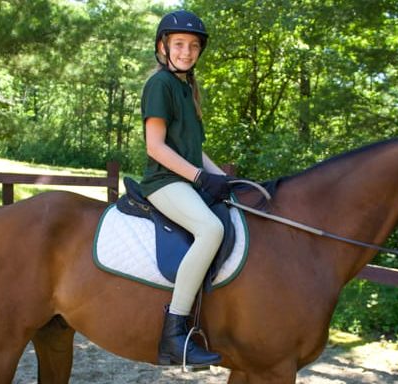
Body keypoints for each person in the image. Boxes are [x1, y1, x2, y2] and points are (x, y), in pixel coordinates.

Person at [139, 10, 232, 368]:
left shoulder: (186, 87)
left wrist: (222, 176)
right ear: (163, 47)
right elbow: (156, 147)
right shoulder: (160, 85)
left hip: (184, 179)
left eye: (193, 46)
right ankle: (174, 333)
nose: (186, 51)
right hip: (164, 182)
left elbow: (194, 150)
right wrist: (199, 177)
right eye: (179, 44)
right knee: (211, 229)